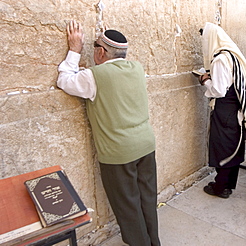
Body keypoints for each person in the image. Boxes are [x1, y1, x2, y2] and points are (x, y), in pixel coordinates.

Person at [57, 20, 160, 246]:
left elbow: (64, 80)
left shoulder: (93, 76)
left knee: (128, 207)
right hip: (145, 145)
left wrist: (74, 51)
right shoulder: (136, 68)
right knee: (147, 199)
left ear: (101, 52)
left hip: (118, 153)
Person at [199, 22, 246, 199]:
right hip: (235, 110)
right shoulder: (232, 56)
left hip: (225, 110)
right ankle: (228, 185)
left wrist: (205, 80)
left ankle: (220, 187)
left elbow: (219, 90)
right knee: (233, 145)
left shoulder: (220, 59)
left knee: (223, 147)